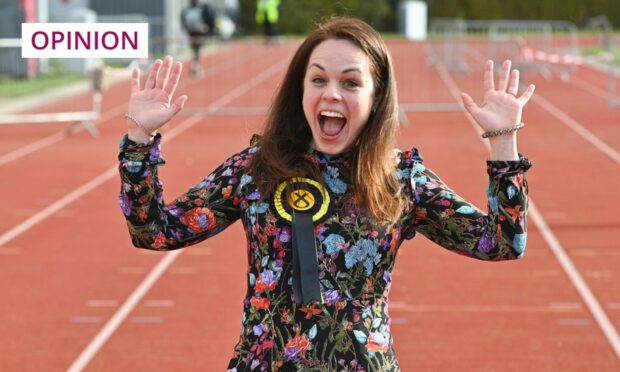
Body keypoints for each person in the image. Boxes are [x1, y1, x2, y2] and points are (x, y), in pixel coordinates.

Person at [119, 18, 534, 371]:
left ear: (376, 98)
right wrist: (140, 139)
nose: (331, 93)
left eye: (351, 82)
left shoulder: (401, 177)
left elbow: (500, 242)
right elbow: (156, 231)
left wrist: (502, 143)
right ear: (301, 90)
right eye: (318, 79)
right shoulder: (256, 168)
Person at [180, 0, 216, 76]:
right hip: (194, 32)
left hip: (197, 32)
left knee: (196, 50)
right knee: (196, 50)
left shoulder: (202, 8)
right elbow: (183, 21)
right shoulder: (190, 9)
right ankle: (195, 67)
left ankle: (195, 66)